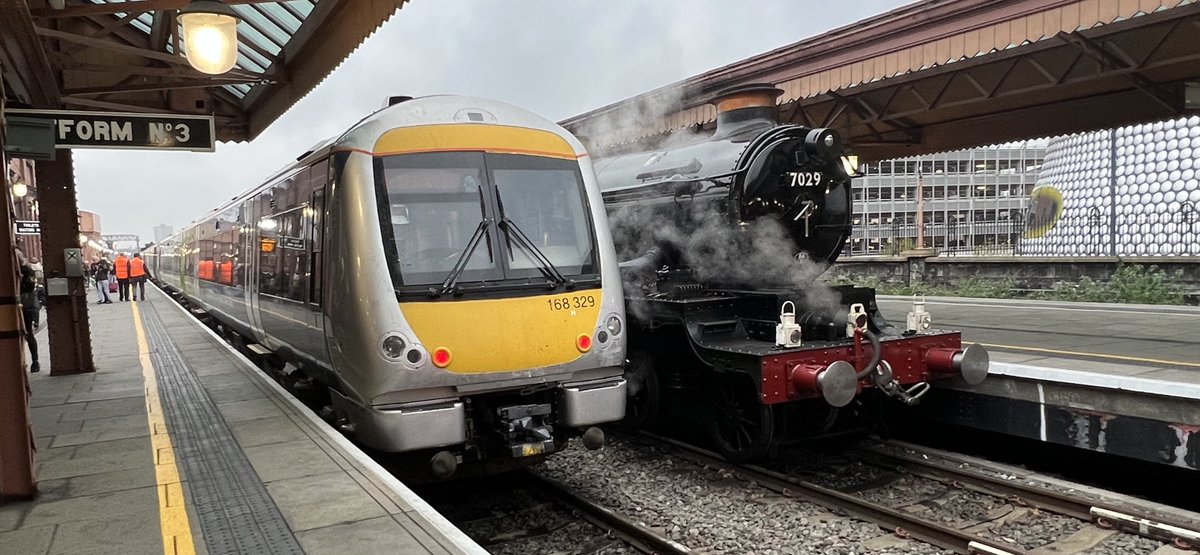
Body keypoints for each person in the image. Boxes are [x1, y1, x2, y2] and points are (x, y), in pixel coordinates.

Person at [19, 264, 40, 373]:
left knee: (28, 334)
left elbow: (29, 286)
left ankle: (35, 361)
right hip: (25, 306)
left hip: (26, 307)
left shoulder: (26, 270)